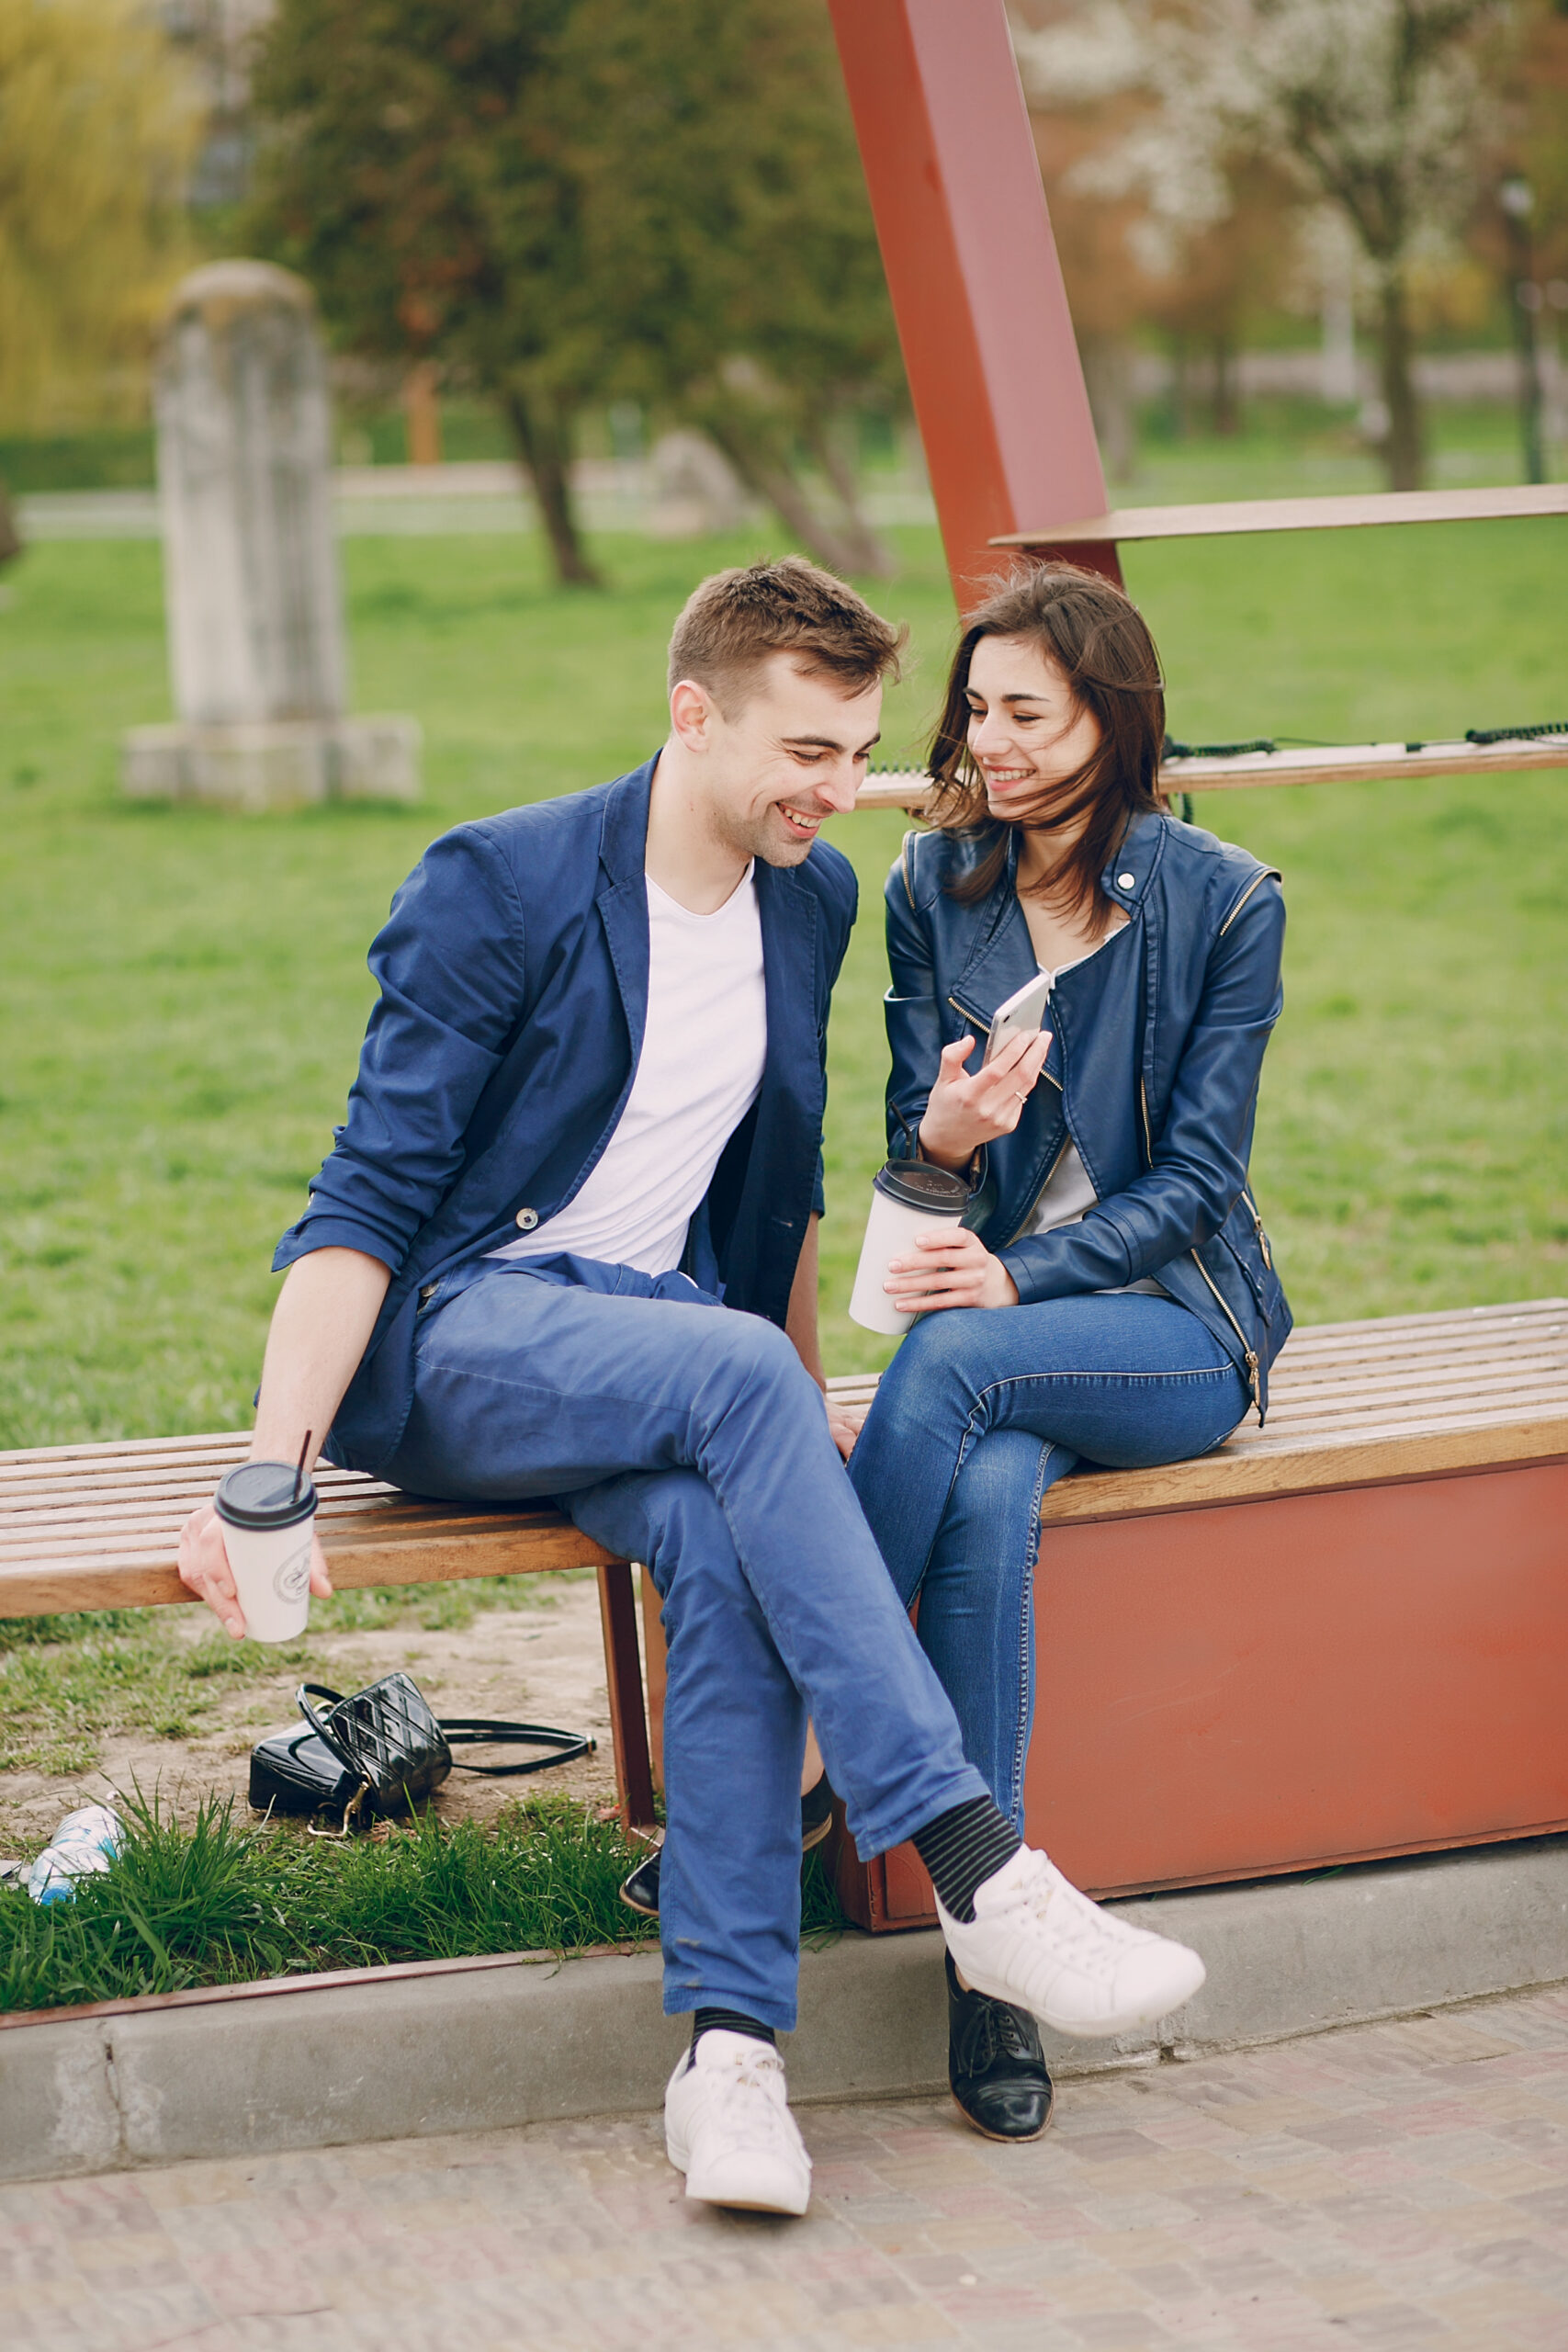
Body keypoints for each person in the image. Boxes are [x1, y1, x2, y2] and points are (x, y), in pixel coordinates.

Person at [176, 557, 1207, 2218]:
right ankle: (970, 1860)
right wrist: (267, 1471)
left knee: (731, 1544)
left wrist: (788, 1424)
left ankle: (729, 2059)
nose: (838, 788)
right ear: (692, 715)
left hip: (648, 1347)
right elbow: (363, 1202)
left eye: (861, 749)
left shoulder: (805, 901)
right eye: (804, 749)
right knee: (746, 1381)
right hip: (457, 1342)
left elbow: (764, 1209)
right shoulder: (502, 885)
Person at [844, 562, 1291, 2144]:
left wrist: (1019, 1277)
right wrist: (948, 1137)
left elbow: (1198, 1187)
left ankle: (796, 1756)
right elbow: (926, 1152)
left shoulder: (1227, 902)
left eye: (1028, 713)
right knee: (980, 1500)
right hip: (1004, 1330)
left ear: (1114, 716)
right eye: (977, 710)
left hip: (1177, 1326)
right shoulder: (934, 888)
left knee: (958, 1367)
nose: (993, 743)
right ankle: (998, 1975)